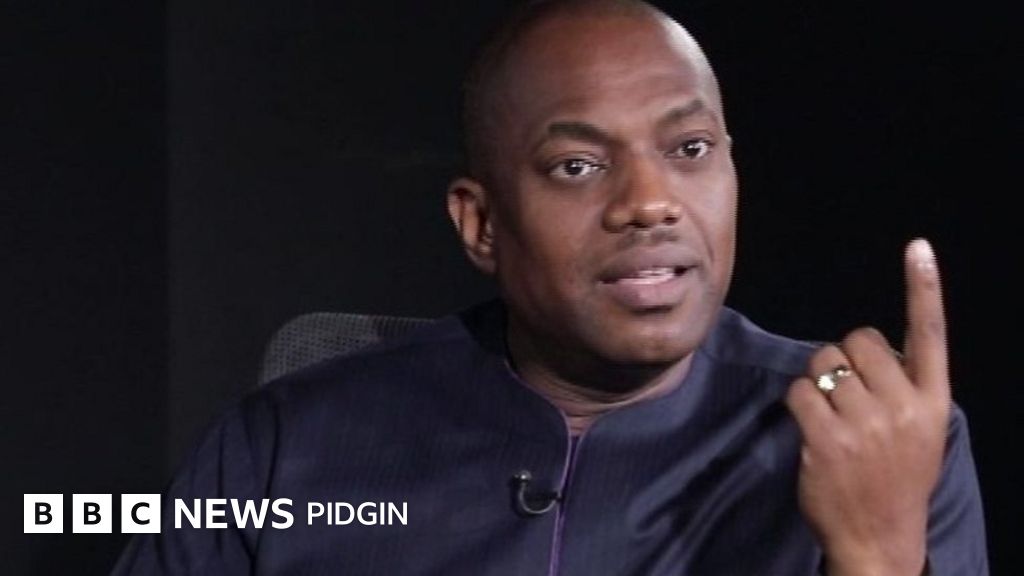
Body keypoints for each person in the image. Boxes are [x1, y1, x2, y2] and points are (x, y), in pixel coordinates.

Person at [112, 0, 987, 574]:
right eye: (577, 165)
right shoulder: (281, 446)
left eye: (690, 150)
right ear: (481, 224)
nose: (650, 202)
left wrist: (875, 555)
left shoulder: (889, 439)